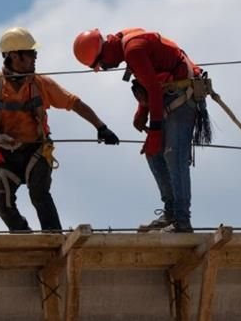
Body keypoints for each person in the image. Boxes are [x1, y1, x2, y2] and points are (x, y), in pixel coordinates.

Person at [0, 27, 119, 233]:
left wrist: (101, 127)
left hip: (36, 152)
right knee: (2, 203)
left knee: (39, 194)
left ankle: (54, 237)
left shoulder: (40, 84)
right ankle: (25, 238)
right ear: (14, 56)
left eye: (34, 53)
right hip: (6, 156)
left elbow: (73, 103)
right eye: (30, 53)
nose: (35, 58)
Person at [73, 28, 204, 233]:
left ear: (103, 52)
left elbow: (153, 88)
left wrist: (155, 130)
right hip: (170, 97)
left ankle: (182, 221)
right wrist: (142, 110)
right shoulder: (126, 46)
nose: (105, 68)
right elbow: (151, 79)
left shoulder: (133, 49)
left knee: (174, 155)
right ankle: (171, 213)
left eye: (101, 65)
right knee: (154, 154)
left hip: (183, 98)